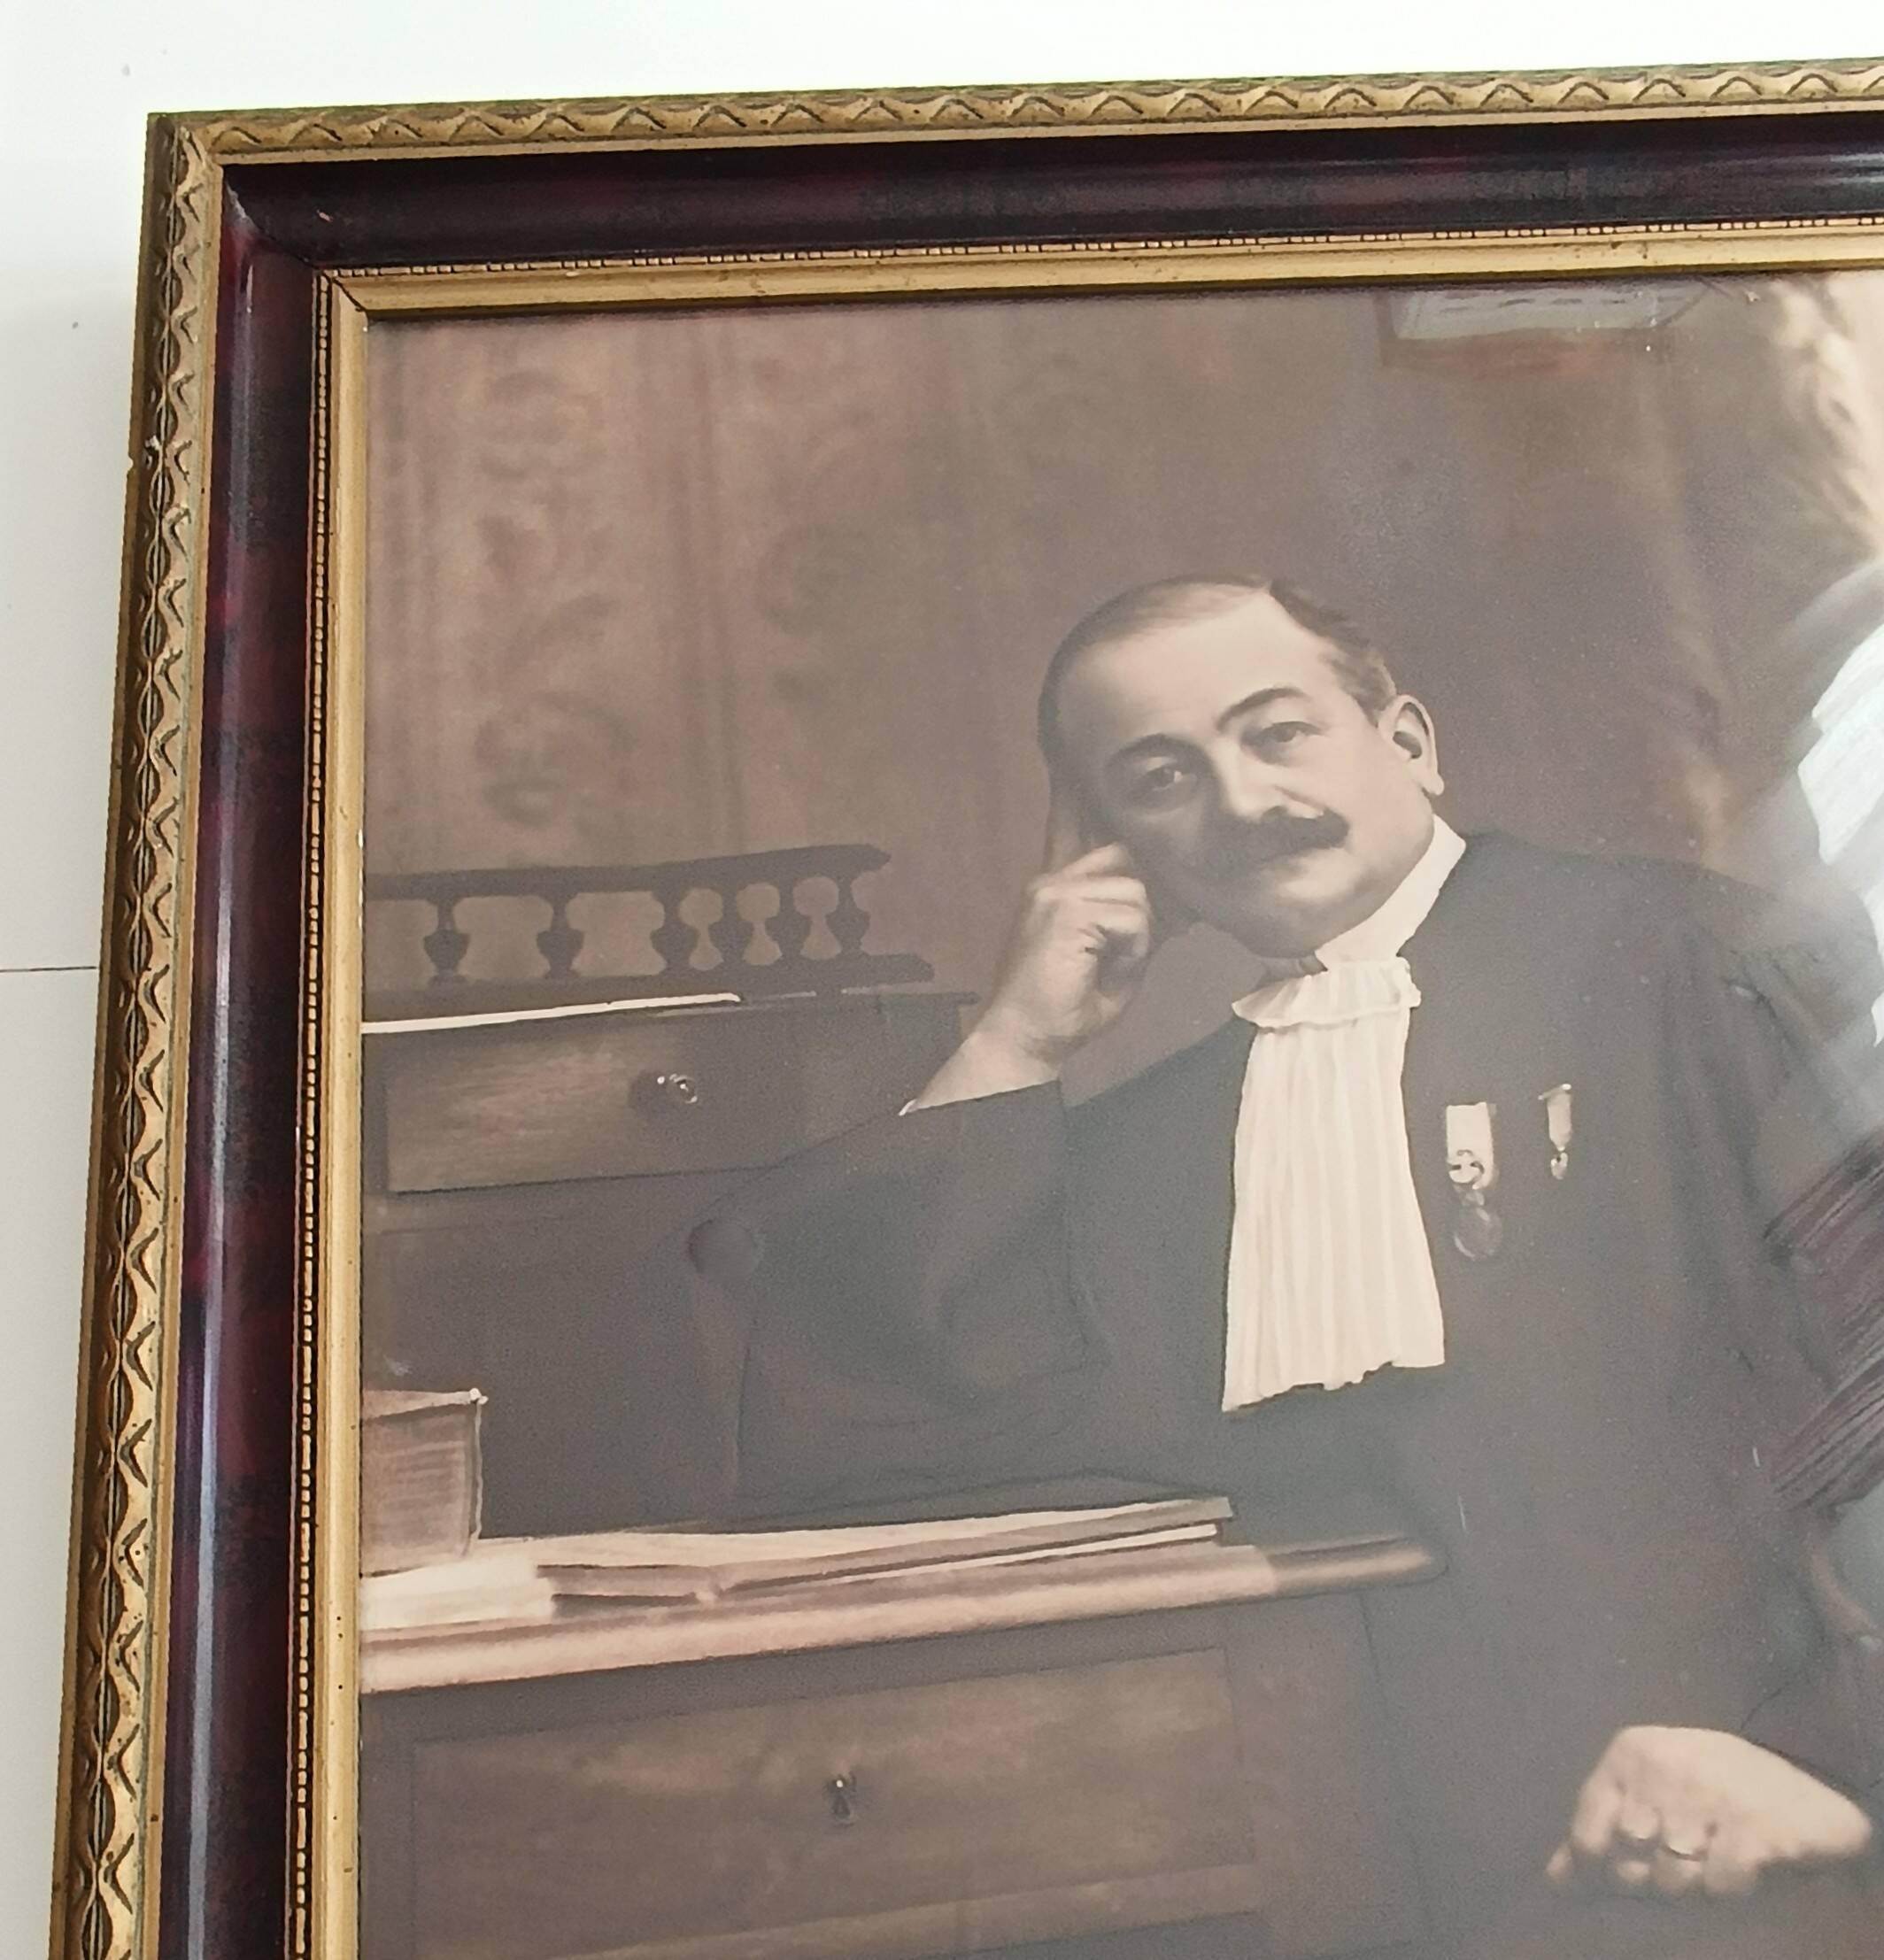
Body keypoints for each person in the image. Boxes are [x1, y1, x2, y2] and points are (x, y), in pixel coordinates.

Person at [679, 575, 1884, 1956]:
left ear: (1411, 743)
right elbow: (879, 1435)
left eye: (1278, 733)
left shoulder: (1689, 962)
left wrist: (1830, 1765)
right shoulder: (1164, 1144)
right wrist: (1017, 1042)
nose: (1242, 802)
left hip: (1763, 1816)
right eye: (1162, 778)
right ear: (1117, 846)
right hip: (1373, 1845)